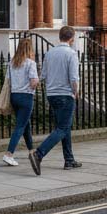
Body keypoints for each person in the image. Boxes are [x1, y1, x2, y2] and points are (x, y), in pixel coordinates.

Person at [28, 25, 82, 174]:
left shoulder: (50, 53)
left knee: (64, 127)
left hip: (51, 94)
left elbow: (43, 75)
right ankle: (38, 154)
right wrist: (76, 91)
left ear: (60, 37)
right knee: (63, 128)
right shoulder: (71, 54)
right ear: (71, 39)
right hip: (65, 95)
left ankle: (69, 160)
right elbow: (73, 77)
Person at [2, 36, 39, 166]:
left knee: (25, 125)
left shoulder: (12, 63)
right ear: (29, 49)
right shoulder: (30, 63)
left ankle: (31, 151)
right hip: (26, 97)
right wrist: (37, 82)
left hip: (14, 96)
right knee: (20, 126)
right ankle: (9, 154)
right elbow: (34, 82)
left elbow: (8, 80)